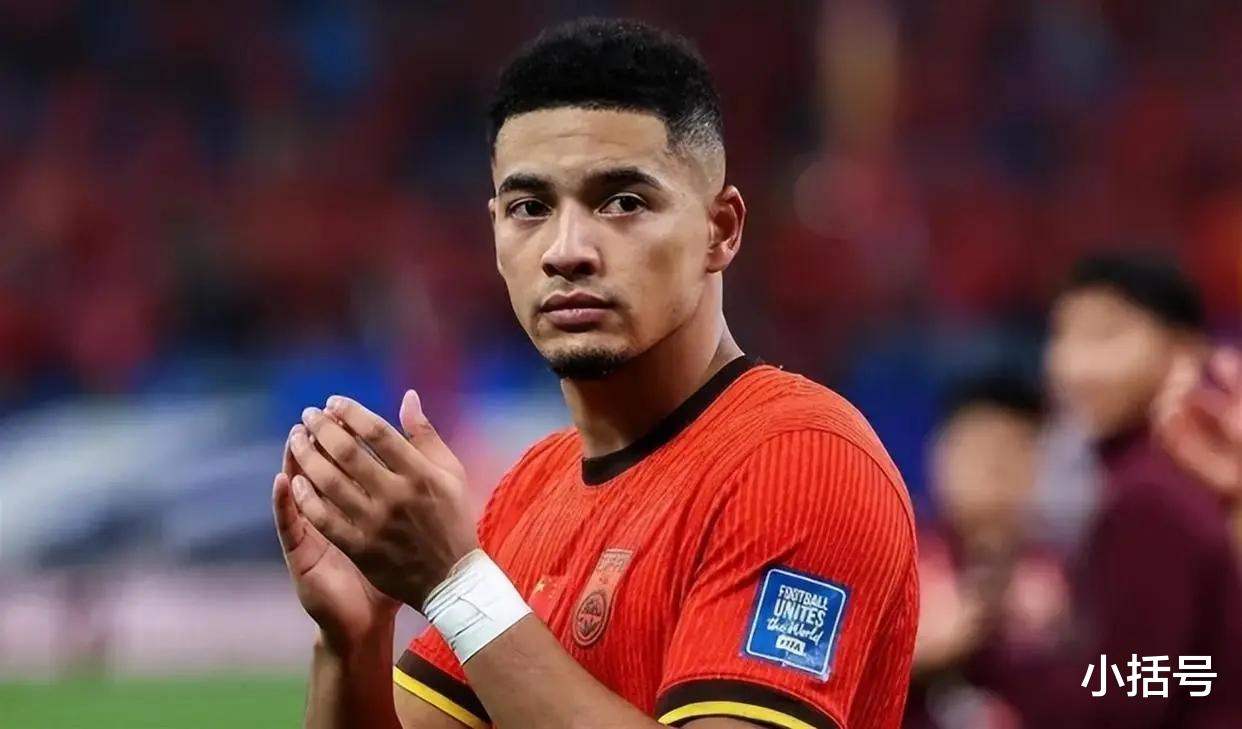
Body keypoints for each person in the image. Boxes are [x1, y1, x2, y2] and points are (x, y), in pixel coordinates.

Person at [273, 19, 917, 729]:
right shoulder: (530, 491)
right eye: (530, 208)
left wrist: (459, 586)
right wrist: (354, 641)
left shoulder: (804, 461)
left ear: (721, 229)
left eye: (622, 202)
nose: (567, 250)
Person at [966, 252, 1242, 728]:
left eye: (1105, 336)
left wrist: (981, 654)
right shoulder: (1161, 481)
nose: (1075, 365)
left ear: (1184, 350)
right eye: (1063, 335)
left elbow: (1130, 697)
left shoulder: (1150, 497)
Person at [905, 374, 1044, 729]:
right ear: (939, 456)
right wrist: (915, 652)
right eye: (976, 451)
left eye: (1011, 451)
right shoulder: (899, 558)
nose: (993, 470)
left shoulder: (1060, 577)